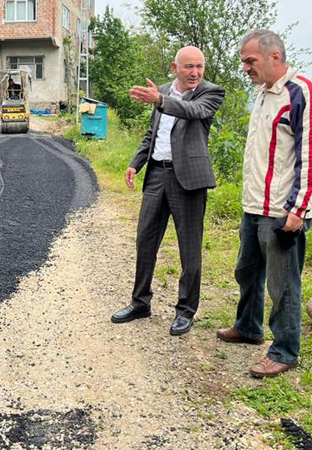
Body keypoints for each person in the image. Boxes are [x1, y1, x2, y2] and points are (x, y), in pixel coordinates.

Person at [215, 29, 312, 378]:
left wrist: (297, 209)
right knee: (247, 270)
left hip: (282, 209)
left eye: (250, 61)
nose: (245, 68)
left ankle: (285, 350)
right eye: (243, 62)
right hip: (255, 205)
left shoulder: (302, 92)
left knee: (283, 284)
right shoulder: (263, 93)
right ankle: (248, 327)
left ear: (274, 57)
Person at [110, 46, 225, 336]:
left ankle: (186, 310)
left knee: (190, 249)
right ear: (175, 68)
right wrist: (136, 163)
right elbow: (154, 133)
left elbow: (193, 111)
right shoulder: (161, 90)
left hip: (189, 179)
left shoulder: (210, 93)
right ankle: (140, 302)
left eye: (200, 66)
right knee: (145, 241)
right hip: (157, 176)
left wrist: (161, 100)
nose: (195, 73)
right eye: (189, 67)